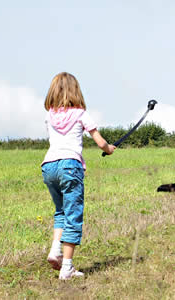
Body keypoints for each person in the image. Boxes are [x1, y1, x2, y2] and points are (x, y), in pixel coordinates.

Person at [41, 72, 116, 279]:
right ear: (76, 91)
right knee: (73, 215)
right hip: (70, 165)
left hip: (48, 165)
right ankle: (67, 267)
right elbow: (100, 143)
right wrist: (109, 149)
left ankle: (55, 250)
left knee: (61, 211)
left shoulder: (49, 114)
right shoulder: (81, 114)